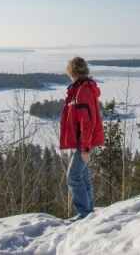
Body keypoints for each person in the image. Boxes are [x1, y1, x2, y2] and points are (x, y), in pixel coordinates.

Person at [59, 56, 104, 220]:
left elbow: (87, 122)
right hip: (84, 140)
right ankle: (89, 213)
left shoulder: (83, 91)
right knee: (83, 176)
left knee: (73, 177)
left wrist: (85, 148)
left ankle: (85, 214)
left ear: (72, 71)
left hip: (86, 141)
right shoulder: (79, 89)